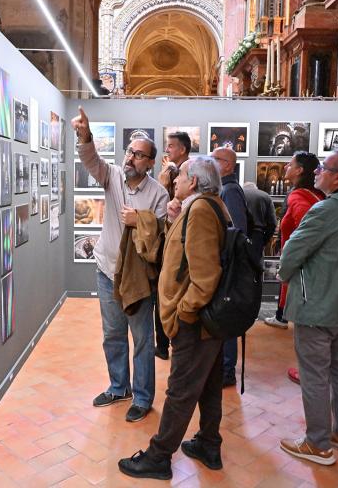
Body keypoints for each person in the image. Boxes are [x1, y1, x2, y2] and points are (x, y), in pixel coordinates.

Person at [118, 157, 229, 480]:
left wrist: (184, 312)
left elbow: (206, 276)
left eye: (179, 175)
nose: (175, 180)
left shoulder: (202, 211)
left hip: (195, 321)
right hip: (208, 322)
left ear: (193, 181)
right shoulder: (206, 206)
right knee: (207, 384)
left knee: (180, 390)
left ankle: (158, 456)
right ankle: (209, 443)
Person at [72, 106, 169, 422]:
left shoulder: (158, 193)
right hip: (106, 270)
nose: (131, 158)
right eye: (130, 151)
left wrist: (140, 219)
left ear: (150, 163)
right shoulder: (112, 176)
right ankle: (118, 387)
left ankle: (142, 397)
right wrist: (85, 136)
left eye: (140, 155)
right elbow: (92, 161)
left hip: (138, 276)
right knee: (112, 334)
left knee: (142, 339)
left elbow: (162, 235)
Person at [278, 151, 338, 466]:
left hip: (317, 305)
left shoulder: (324, 210)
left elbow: (293, 251)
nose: (317, 172)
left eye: (324, 168)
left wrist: (283, 274)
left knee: (315, 374)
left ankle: (317, 444)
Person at [264, 152, 324, 330]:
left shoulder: (299, 196)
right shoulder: (316, 194)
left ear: (299, 170)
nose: (285, 167)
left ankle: (285, 317)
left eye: (290, 165)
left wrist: (294, 253)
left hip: (300, 258)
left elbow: (307, 230)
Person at [154, 130, 193, 360]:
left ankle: (164, 344)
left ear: (183, 149)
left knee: (168, 291)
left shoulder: (178, 172)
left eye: (171, 146)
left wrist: (165, 178)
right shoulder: (174, 171)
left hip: (176, 244)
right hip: (171, 237)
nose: (167, 150)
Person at [211, 147, 248, 387]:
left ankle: (226, 371)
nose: (210, 163)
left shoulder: (230, 191)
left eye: (214, 159)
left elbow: (236, 232)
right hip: (226, 265)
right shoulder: (225, 189)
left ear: (227, 165)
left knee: (226, 318)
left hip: (229, 267)